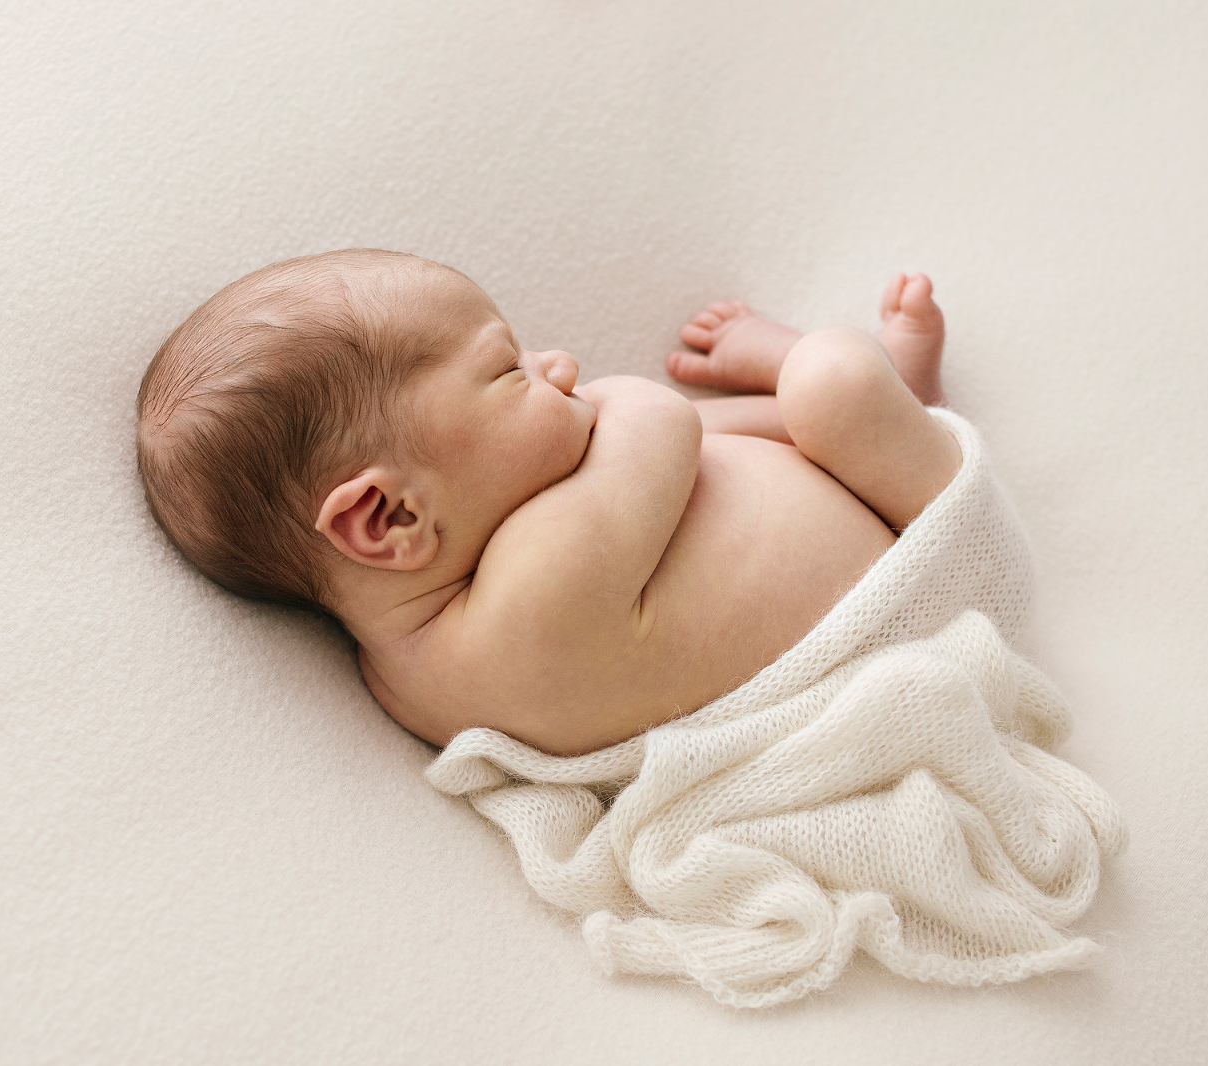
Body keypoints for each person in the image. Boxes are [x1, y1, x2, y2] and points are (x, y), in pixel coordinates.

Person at [137, 250, 962, 756]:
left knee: (656, 462)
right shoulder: (537, 589)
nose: (560, 363)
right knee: (834, 380)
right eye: (507, 371)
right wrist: (604, 402)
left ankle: (855, 404)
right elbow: (660, 415)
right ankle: (898, 403)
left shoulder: (404, 680)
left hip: (856, 604)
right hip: (926, 565)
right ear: (388, 519)